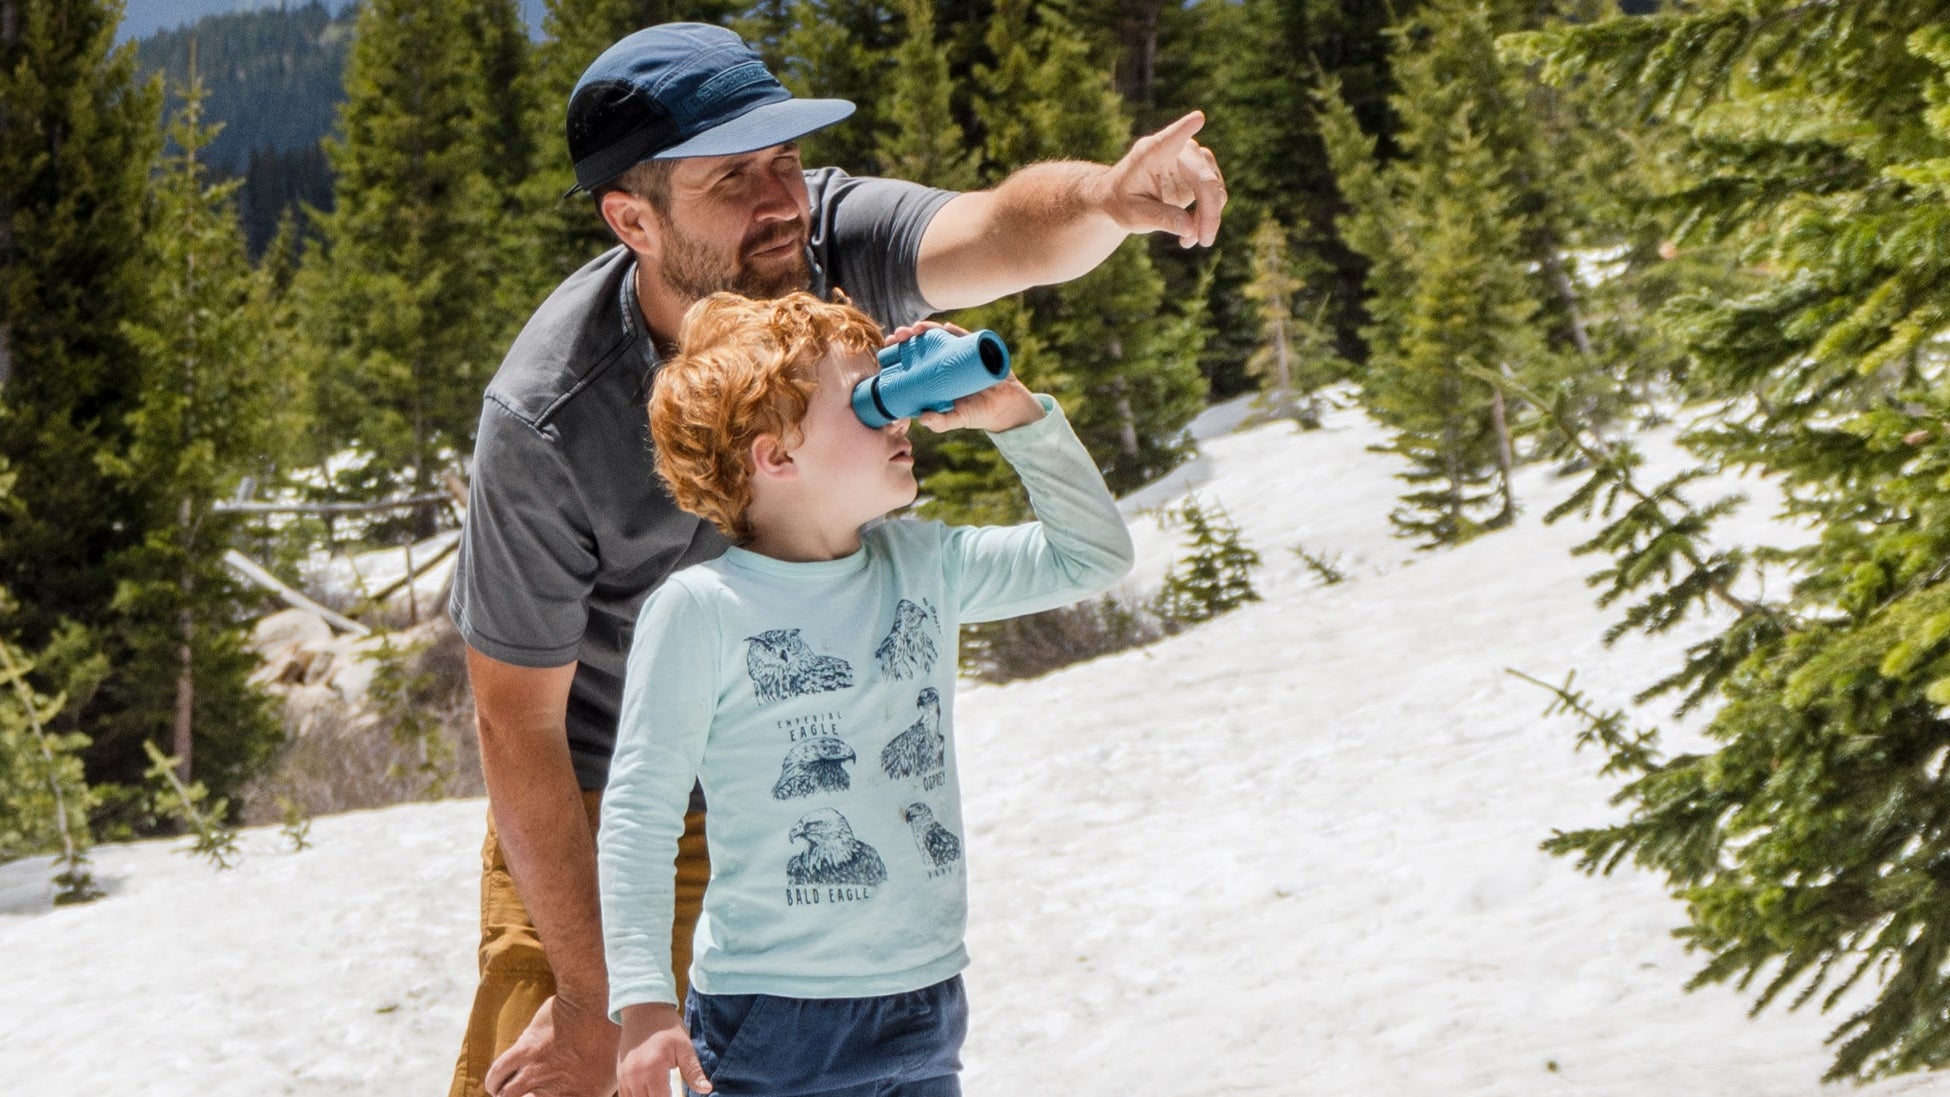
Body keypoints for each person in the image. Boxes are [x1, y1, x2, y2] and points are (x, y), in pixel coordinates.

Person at [446, 20, 1225, 1097]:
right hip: (600, 778)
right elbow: (515, 720)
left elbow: (1000, 229)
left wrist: (1107, 197)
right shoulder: (547, 414)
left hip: (830, 833)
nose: (781, 201)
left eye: (786, 161)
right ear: (633, 215)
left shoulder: (823, 249)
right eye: (734, 177)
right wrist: (595, 998)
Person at [600, 290, 1134, 1097]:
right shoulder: (703, 609)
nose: (900, 418)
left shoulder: (924, 565)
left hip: (924, 994)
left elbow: (1092, 556)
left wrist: (1015, 415)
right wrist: (644, 1001)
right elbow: (641, 810)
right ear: (775, 456)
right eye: (868, 400)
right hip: (775, 1015)